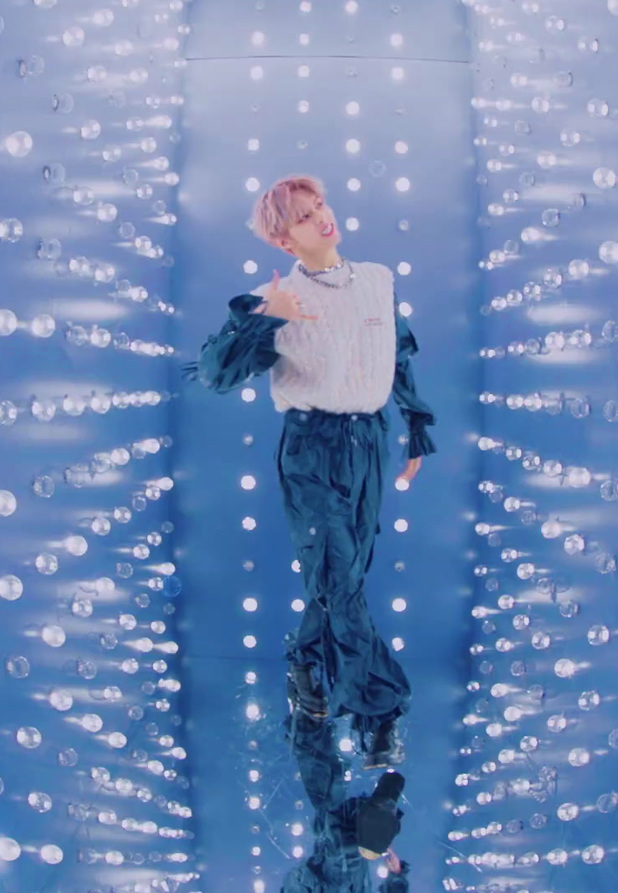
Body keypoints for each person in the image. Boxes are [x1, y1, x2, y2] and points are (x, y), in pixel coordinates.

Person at [182, 174, 436, 768]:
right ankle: (379, 712)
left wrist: (416, 426)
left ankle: (305, 667)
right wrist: (266, 317)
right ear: (284, 241)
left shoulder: (377, 281)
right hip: (311, 449)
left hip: (368, 443)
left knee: (339, 578)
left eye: (319, 204)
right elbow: (215, 375)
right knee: (340, 581)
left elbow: (396, 353)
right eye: (302, 215)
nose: (320, 216)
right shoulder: (273, 298)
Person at [277, 666, 412, 893]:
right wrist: (396, 876)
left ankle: (307, 711)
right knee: (334, 796)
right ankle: (317, 711)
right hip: (353, 846)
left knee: (328, 790)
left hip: (338, 845)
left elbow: (297, 882)